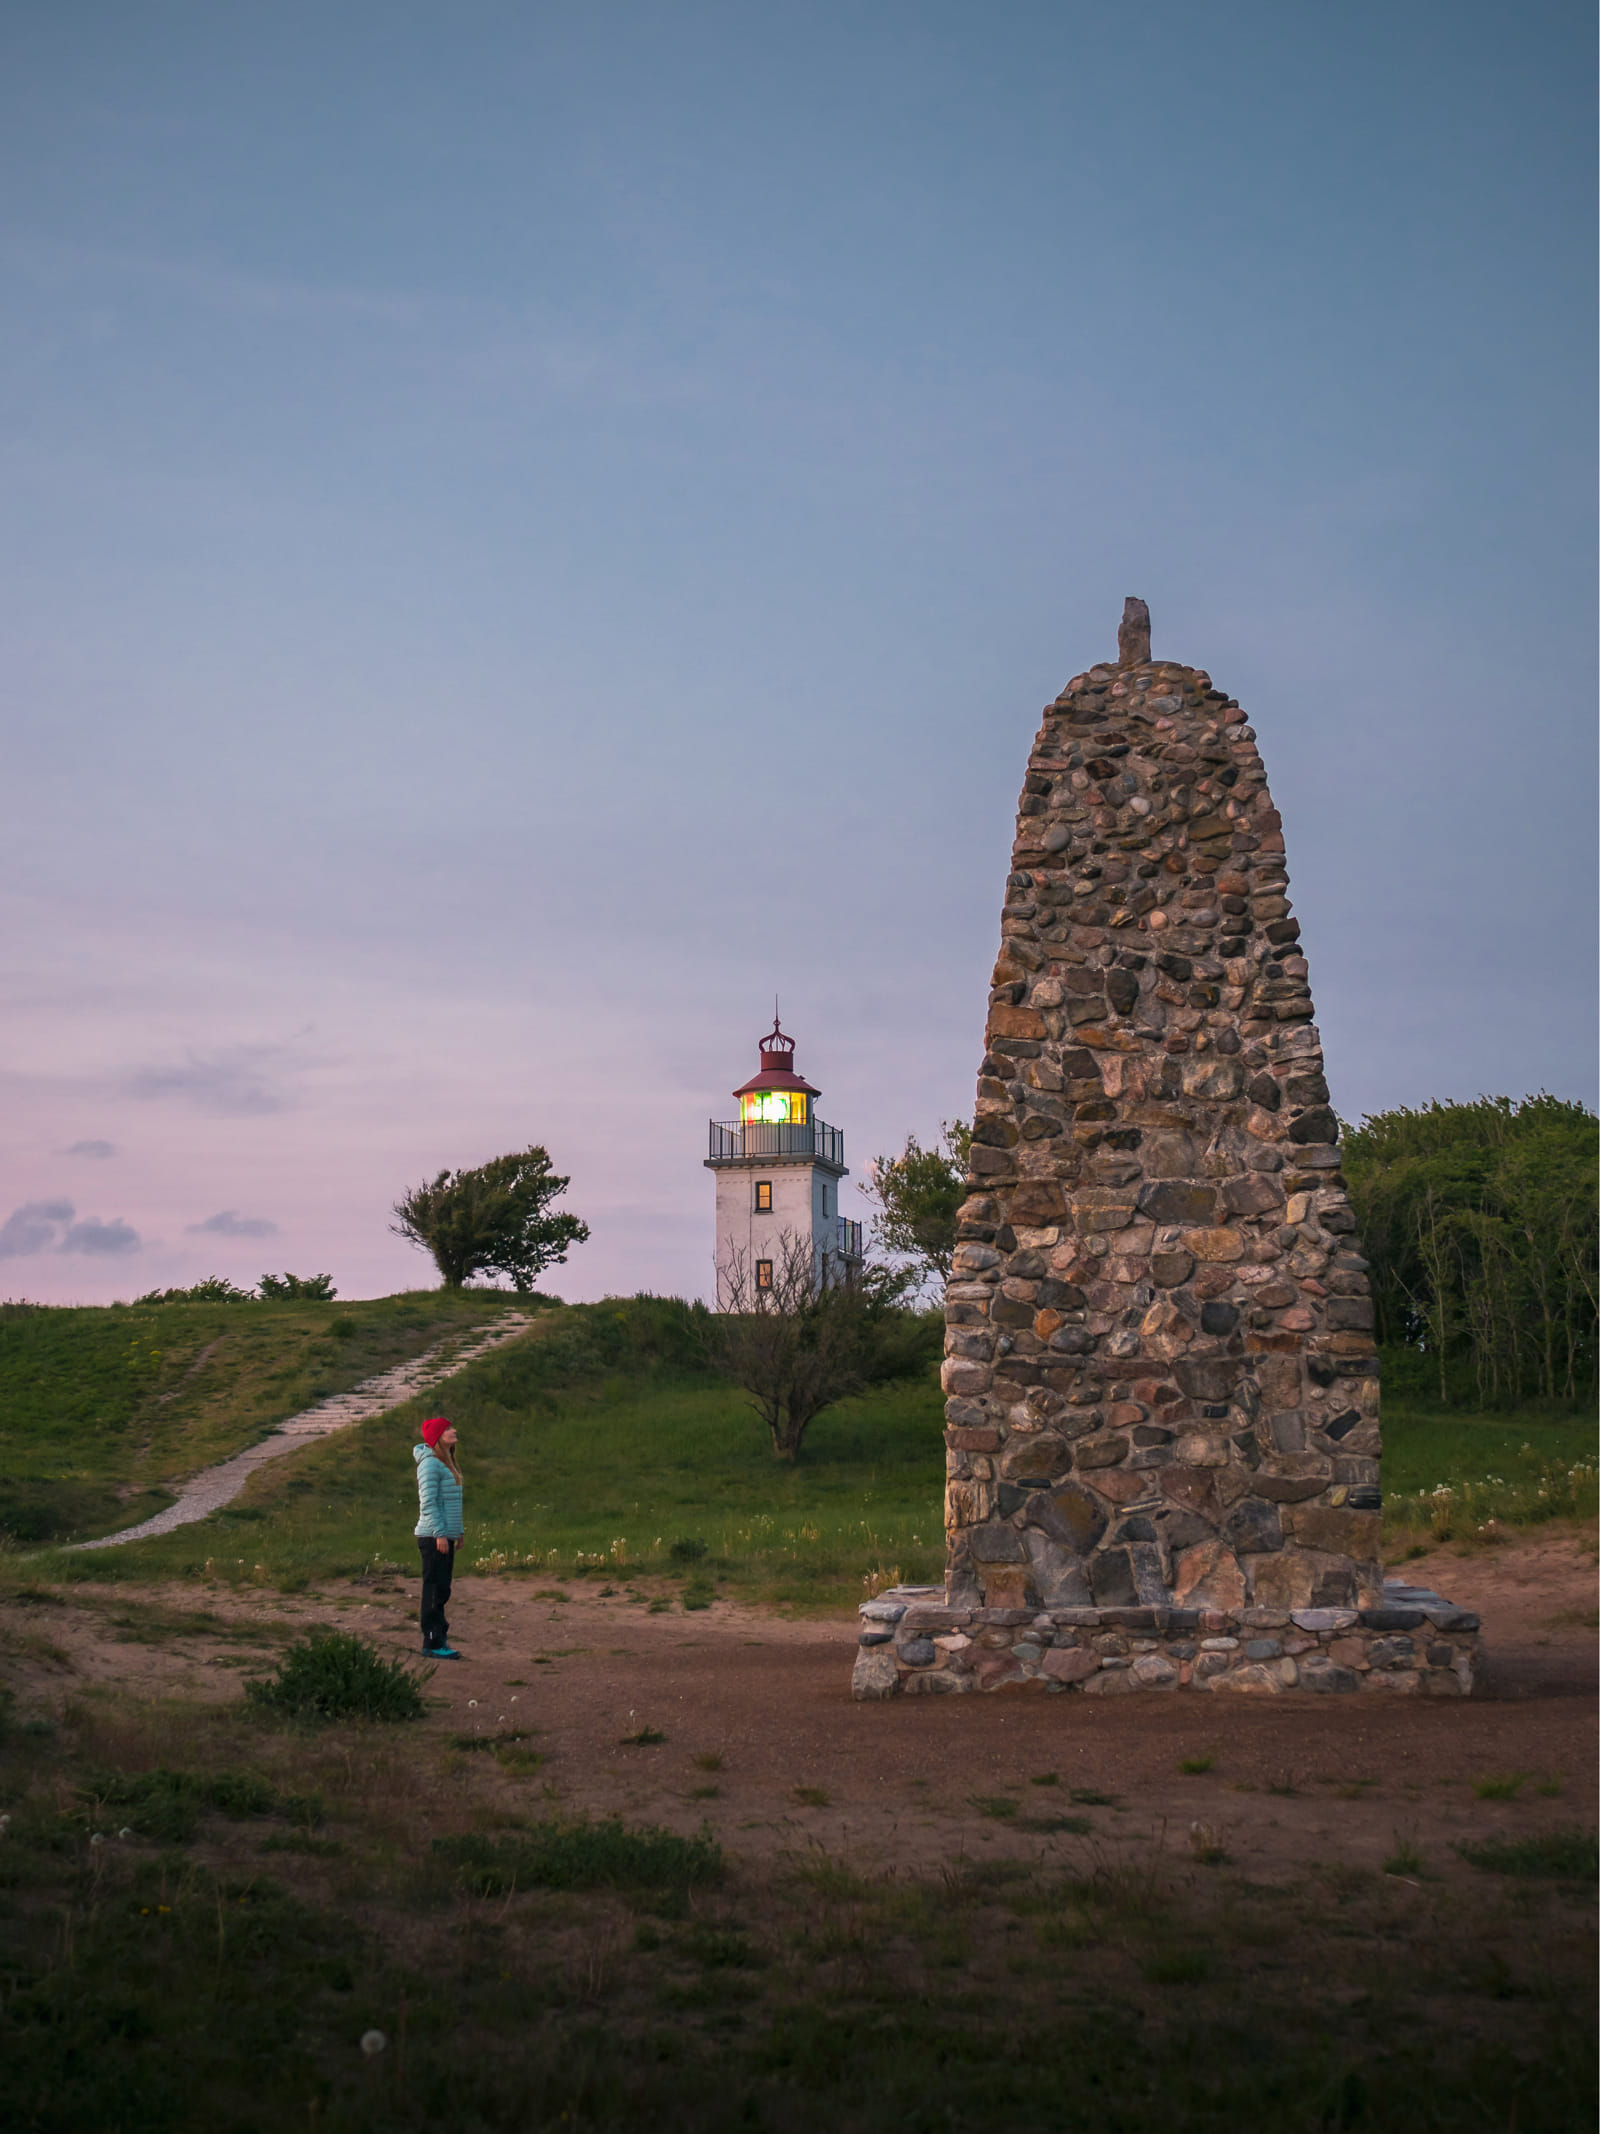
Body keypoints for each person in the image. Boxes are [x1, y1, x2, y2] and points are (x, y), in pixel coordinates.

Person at [414, 1416, 465, 1658]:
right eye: (448, 1429)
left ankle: (439, 1638)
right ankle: (432, 1643)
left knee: (443, 1589)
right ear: (438, 1437)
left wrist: (458, 1531)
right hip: (433, 1537)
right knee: (434, 1589)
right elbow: (428, 1503)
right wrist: (440, 1534)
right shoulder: (430, 1465)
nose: (453, 1431)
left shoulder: (446, 1463)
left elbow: (452, 1503)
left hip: (445, 1536)